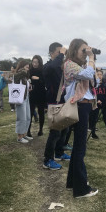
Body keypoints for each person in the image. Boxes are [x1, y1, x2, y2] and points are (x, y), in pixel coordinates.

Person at [64, 38, 98, 198]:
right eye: (83, 50)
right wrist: (90, 58)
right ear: (75, 50)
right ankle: (81, 189)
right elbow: (87, 74)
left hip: (83, 106)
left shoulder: (79, 66)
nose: (86, 53)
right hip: (78, 106)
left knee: (78, 146)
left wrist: (91, 60)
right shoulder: (69, 64)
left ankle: (72, 182)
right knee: (80, 147)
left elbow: (94, 82)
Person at [42, 42, 71, 170]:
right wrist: (62, 54)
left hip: (62, 101)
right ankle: (47, 160)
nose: (61, 55)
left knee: (64, 129)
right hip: (54, 102)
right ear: (52, 52)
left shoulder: (60, 66)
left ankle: (59, 153)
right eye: (59, 52)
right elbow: (53, 67)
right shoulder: (48, 66)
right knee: (55, 132)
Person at [13, 60, 32, 143]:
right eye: (26, 65)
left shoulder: (24, 76)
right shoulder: (18, 75)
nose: (28, 66)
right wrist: (23, 70)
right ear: (22, 66)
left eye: (28, 65)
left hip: (26, 97)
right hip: (20, 99)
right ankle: (19, 137)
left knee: (28, 117)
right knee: (21, 118)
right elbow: (17, 76)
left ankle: (24, 134)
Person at [89, 68, 106, 139]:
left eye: (101, 74)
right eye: (98, 74)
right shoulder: (94, 84)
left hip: (104, 104)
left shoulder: (105, 84)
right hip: (96, 103)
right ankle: (93, 134)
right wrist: (97, 100)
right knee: (94, 119)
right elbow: (92, 94)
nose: (99, 76)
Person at [27, 55, 46, 137]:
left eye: (36, 62)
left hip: (41, 93)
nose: (34, 64)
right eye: (33, 62)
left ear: (39, 62)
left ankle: (41, 129)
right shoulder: (29, 71)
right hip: (32, 94)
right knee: (30, 113)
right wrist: (30, 78)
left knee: (41, 112)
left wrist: (38, 79)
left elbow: (45, 82)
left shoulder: (43, 70)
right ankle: (28, 131)